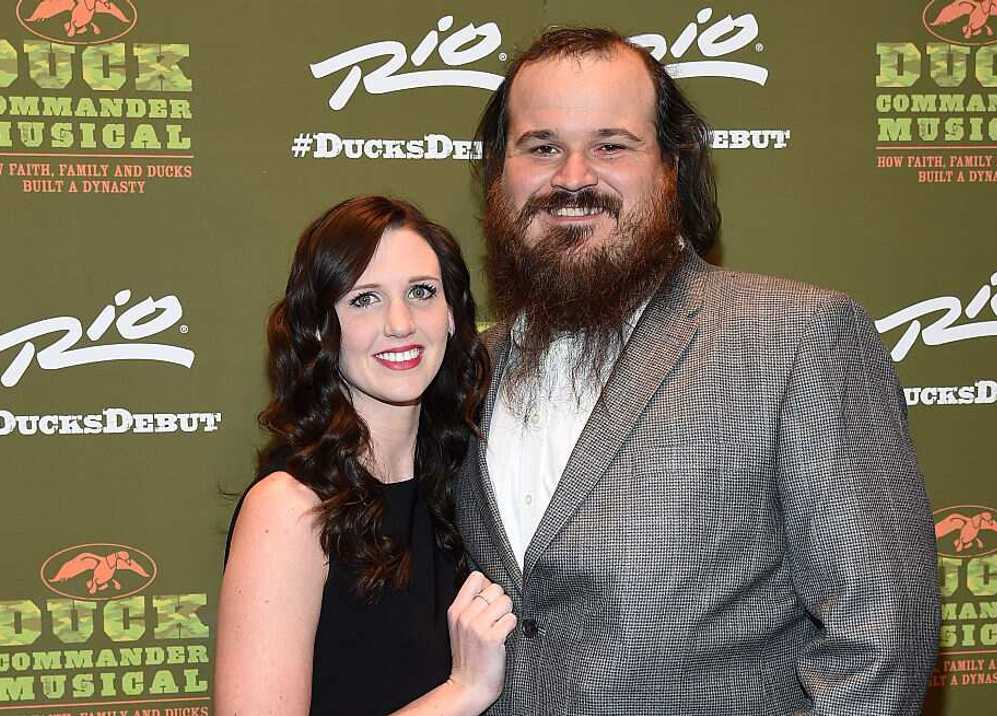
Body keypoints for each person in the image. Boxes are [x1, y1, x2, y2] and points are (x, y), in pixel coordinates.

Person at [455, 28, 941, 714]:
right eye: (541, 147)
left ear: (671, 168)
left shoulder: (797, 338)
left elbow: (881, 638)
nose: (572, 178)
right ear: (499, 175)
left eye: (610, 146)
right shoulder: (472, 367)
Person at [216, 196, 517, 715]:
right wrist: (464, 690)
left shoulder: (470, 484)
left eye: (421, 293)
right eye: (364, 300)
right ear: (318, 328)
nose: (400, 323)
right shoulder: (290, 510)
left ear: (451, 316)